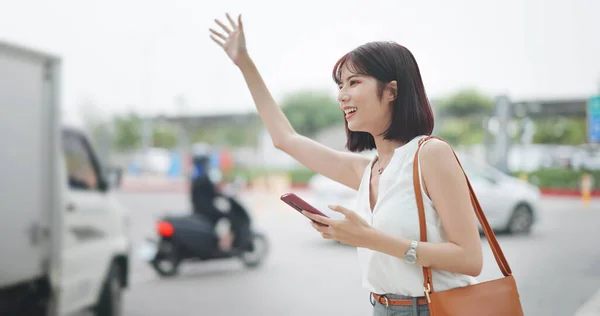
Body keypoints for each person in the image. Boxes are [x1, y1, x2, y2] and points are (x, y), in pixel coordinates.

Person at [209, 13, 483, 316]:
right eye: (340, 85)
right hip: (382, 307)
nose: (342, 95)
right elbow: (284, 138)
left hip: (433, 309)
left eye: (354, 82)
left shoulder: (429, 154)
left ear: (392, 90)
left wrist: (370, 238)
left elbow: (470, 258)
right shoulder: (367, 170)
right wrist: (244, 62)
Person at [190, 155, 235, 252]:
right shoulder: (203, 178)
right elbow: (213, 193)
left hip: (199, 208)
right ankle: (220, 241)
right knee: (226, 215)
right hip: (205, 210)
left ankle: (216, 239)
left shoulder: (195, 176)